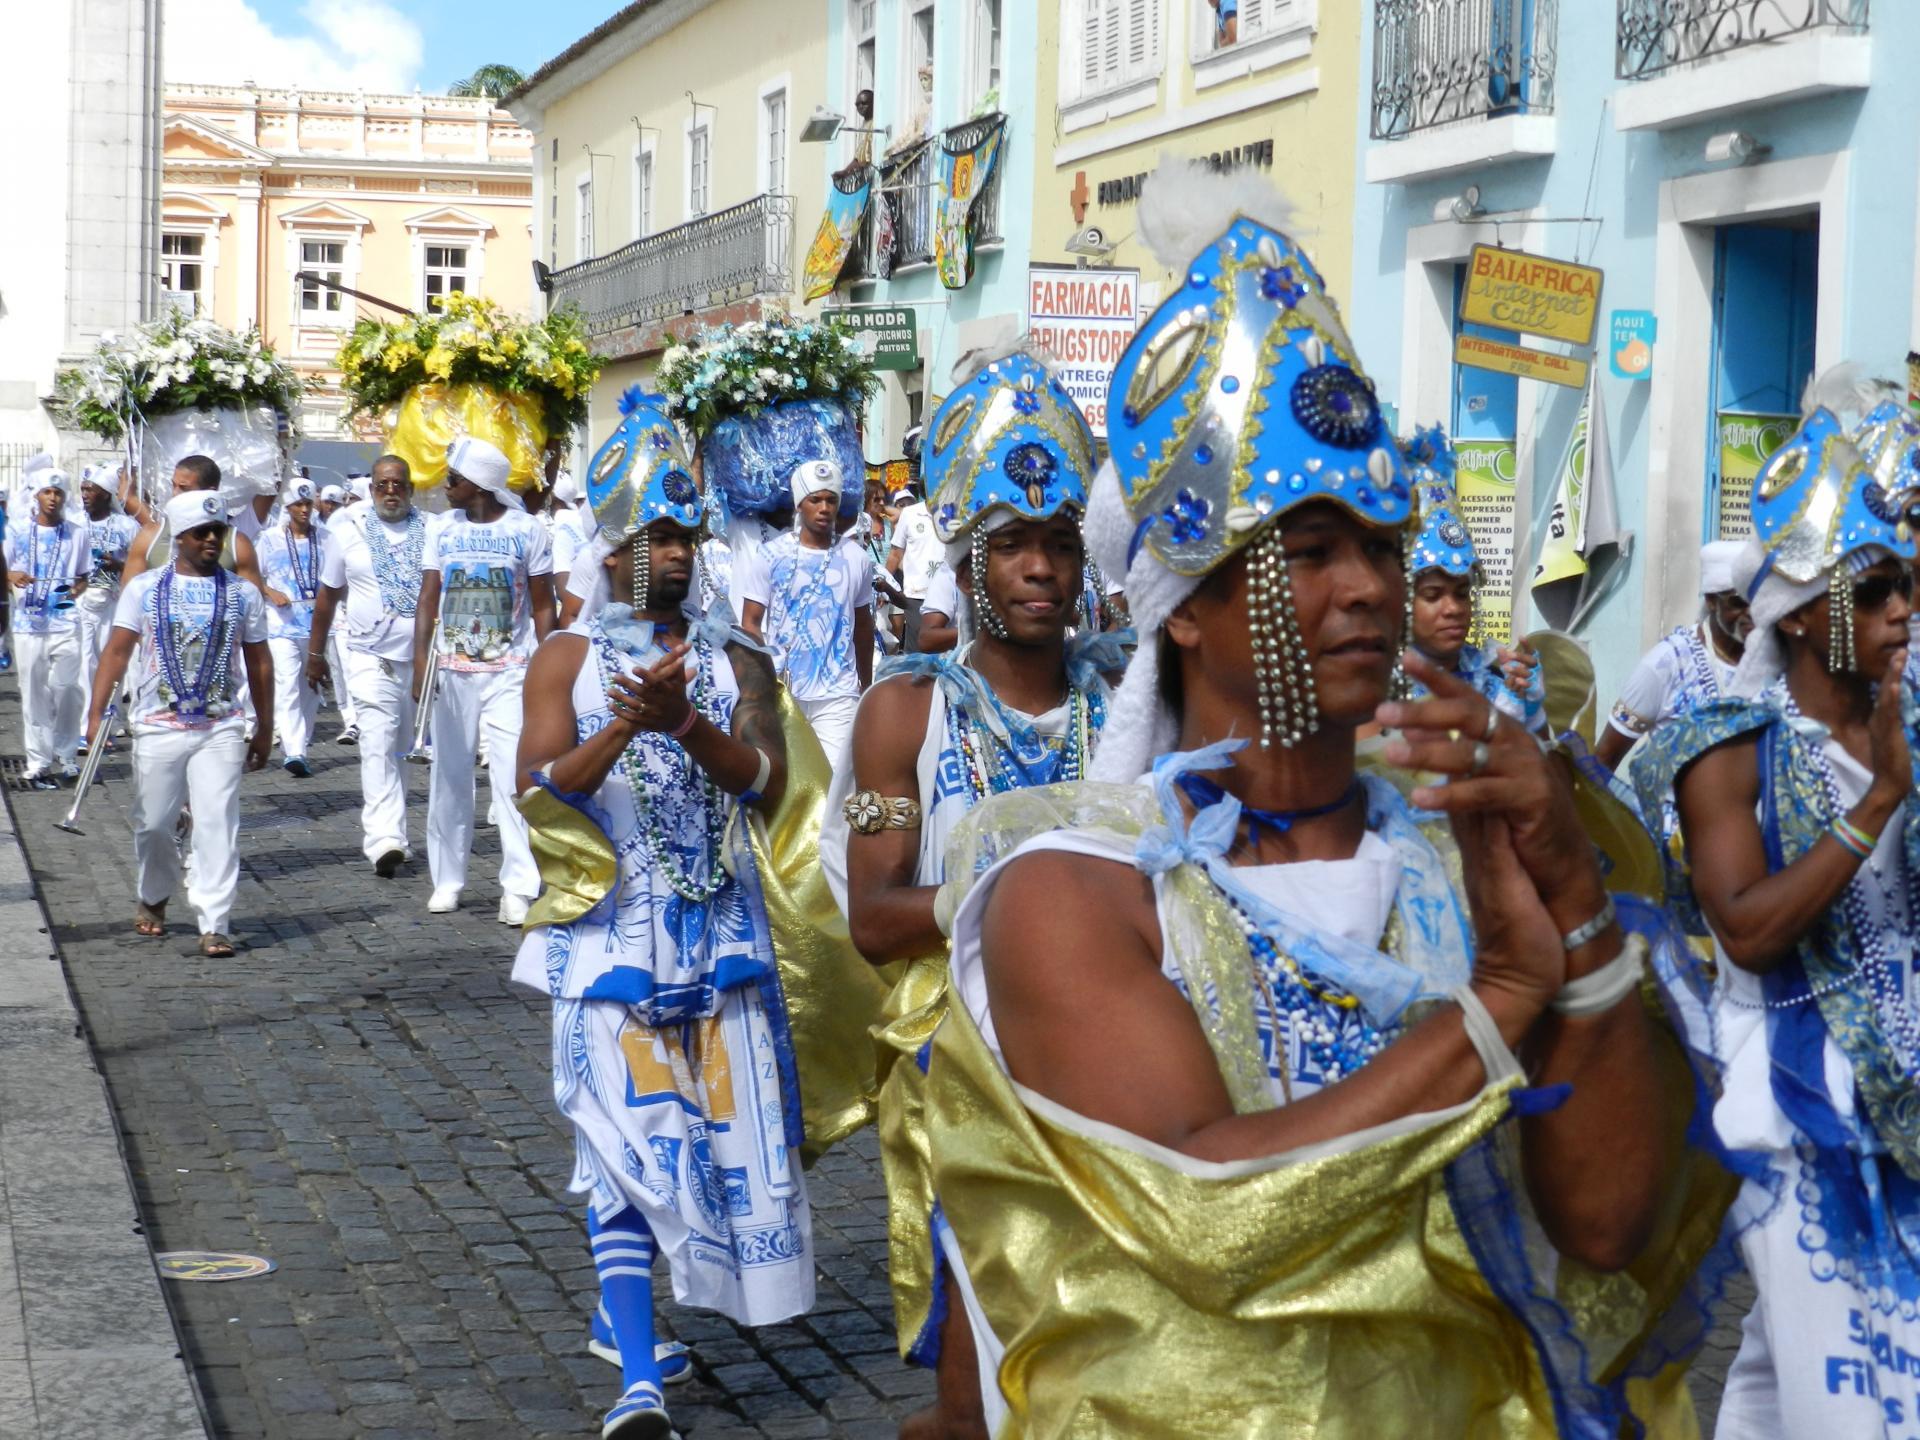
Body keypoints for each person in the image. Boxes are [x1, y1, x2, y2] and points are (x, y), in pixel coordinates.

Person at [924, 170, 1725, 1434]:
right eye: (1305, 551)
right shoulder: (1074, 886)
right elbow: (1207, 1207)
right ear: (1179, 604)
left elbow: (1610, 1226)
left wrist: (1575, 905)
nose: (1365, 588)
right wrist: (1505, 995)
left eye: (1382, 546)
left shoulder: (1467, 850)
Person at [819, 344, 1120, 1439]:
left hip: (1117, 1055)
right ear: (966, 565)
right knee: (984, 1337)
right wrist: (1014, 899)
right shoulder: (905, 713)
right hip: (968, 1066)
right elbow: (871, 919)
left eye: (1058, 545)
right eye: (1012, 547)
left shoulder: (1126, 702)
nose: (1040, 568)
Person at [512, 391, 805, 1440]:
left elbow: (770, 784)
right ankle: (637, 1378)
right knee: (623, 1145)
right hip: (608, 942)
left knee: (712, 1147)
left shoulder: (738, 660)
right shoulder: (567, 658)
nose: (678, 555)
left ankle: (626, 1311)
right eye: (657, 537)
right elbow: (538, 786)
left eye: (687, 536)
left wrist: (684, 723)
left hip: (720, 940)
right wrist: (622, 730)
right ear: (616, 543)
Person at [1638, 399, 1920, 1440]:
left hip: (1912, 1109)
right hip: (1799, 1120)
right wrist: (1879, 799)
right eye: (1876, 590)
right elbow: (1750, 929)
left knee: (1777, 1398)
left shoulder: (1913, 724)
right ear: (1798, 611)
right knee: (1863, 1408)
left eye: (1909, 588)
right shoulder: (1732, 750)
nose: (1902, 612)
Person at [85, 491, 272, 958]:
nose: (212, 539)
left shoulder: (242, 593)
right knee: (153, 824)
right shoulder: (144, 588)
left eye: (219, 532)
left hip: (221, 725)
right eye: (202, 533)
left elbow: (260, 662)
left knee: (216, 823)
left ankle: (215, 920)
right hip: (157, 723)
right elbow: (117, 651)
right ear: (179, 537)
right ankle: (154, 893)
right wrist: (94, 715)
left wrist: (265, 725)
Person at [411, 436, 554, 920]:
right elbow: (428, 598)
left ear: (482, 485)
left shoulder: (528, 531)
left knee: (512, 779)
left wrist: (550, 667)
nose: (446, 485)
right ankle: (447, 879)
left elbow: (542, 605)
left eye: (454, 478)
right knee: (449, 778)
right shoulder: (441, 529)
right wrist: (419, 665)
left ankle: (518, 885)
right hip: (453, 671)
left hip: (510, 672)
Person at [309, 455, 431, 876]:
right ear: (371, 489)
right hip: (366, 654)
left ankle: (396, 831)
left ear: (411, 490)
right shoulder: (347, 529)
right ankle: (383, 839)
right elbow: (328, 594)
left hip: (420, 657)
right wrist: (315, 654)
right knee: (377, 741)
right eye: (382, 485)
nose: (390, 492)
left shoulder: (432, 530)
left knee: (400, 747)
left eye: (399, 485)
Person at [1398, 425, 1545, 733]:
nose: (1453, 608)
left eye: (1462, 593)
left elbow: (1544, 774)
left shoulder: (1492, 680)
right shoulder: (1380, 688)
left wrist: (1529, 711)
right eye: (1433, 595)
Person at [737, 460, 874, 766]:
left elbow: (863, 627)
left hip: (838, 695)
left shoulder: (856, 557)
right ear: (800, 503)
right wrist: (762, 678)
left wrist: (866, 687)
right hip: (784, 689)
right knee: (790, 783)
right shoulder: (771, 554)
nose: (824, 508)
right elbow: (751, 622)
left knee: (836, 783)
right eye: (816, 499)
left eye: (831, 500)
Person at [1596, 539, 1751, 773]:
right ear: (1711, 600)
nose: (1752, 612)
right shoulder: (1666, 664)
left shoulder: (1778, 660)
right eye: (1738, 602)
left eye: (1759, 599)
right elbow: (1604, 759)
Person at [6, 468, 90, 787]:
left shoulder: (77, 533)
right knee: (33, 692)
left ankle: (67, 753)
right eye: (47, 492)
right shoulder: (16, 531)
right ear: (37, 496)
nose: (53, 498)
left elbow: (83, 575)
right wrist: (11, 576)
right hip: (28, 624)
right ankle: (38, 759)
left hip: (66, 621)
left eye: (58, 493)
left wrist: (74, 591)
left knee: (67, 688)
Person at [256, 477, 331, 777]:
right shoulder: (269, 539)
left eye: (308, 504)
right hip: (281, 627)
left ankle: (303, 740)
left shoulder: (326, 537)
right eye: (298, 504)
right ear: (287, 507)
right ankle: (294, 750)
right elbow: (250, 574)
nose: (303, 510)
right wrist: (270, 592)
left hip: (317, 627)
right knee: (287, 686)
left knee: (310, 689)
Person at [121, 454, 267, 594]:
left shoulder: (238, 544)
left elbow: (253, 607)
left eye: (184, 488)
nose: (175, 494)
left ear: (210, 492)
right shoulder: (150, 536)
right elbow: (129, 598)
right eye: (174, 486)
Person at [75, 466, 139, 706]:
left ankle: (111, 721)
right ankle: (84, 725)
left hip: (114, 603)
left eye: (90, 490)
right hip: (83, 601)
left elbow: (141, 567)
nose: (84, 494)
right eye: (82, 489)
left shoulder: (126, 526)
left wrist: (120, 566)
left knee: (111, 660)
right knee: (84, 662)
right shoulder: (76, 523)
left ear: (105, 493)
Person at [887, 471, 945, 652]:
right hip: (916, 595)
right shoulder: (910, 514)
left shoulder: (954, 513)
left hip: (946, 595)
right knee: (919, 648)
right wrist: (883, 587)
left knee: (944, 649)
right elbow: (896, 554)